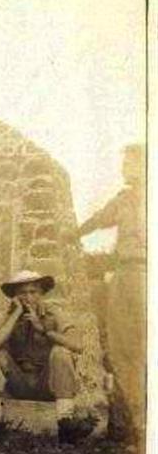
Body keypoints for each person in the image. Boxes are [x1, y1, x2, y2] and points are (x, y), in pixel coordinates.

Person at [78, 143, 146, 438]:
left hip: (134, 273)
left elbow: (97, 221)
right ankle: (128, 421)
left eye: (129, 163)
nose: (123, 170)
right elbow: (100, 220)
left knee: (124, 349)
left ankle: (134, 422)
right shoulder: (125, 198)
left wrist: (71, 233)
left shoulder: (129, 199)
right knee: (126, 349)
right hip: (129, 272)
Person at [0, 270, 92, 443]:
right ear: (15, 297)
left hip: (47, 384)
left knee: (61, 352)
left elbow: (78, 346)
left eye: (33, 292)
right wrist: (16, 314)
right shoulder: (9, 315)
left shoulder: (54, 313)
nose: (28, 297)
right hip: (18, 384)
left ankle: (65, 423)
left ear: (41, 295)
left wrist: (44, 330)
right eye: (22, 293)